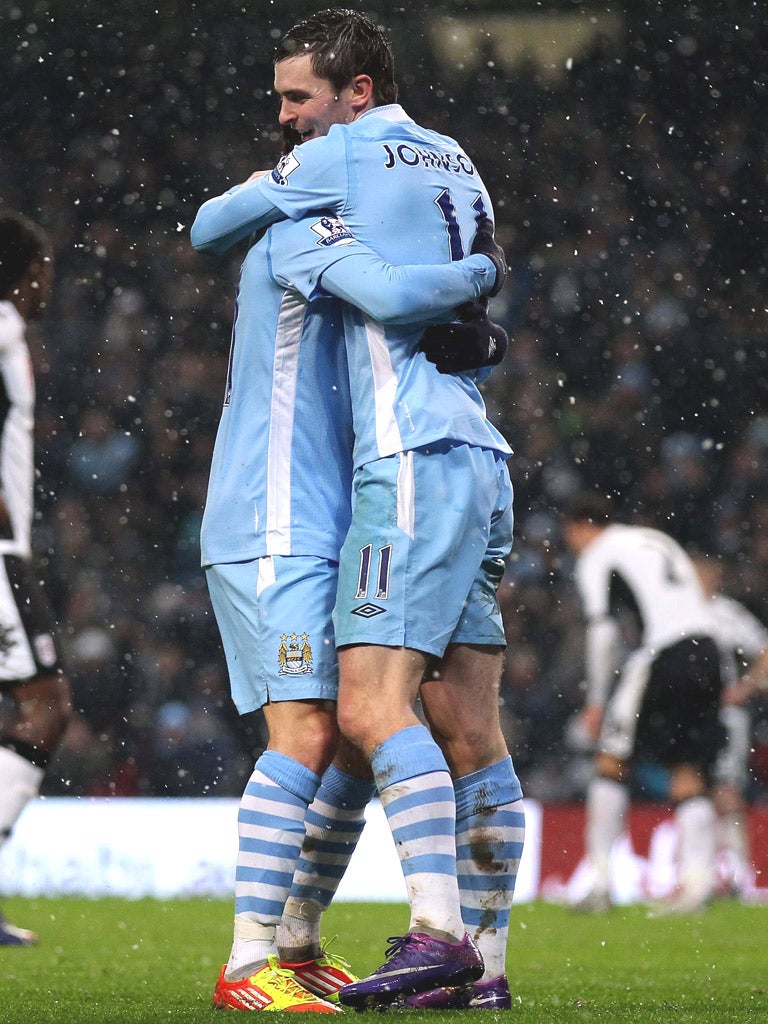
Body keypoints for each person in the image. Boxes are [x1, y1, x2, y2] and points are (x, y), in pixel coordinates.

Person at [192, 9, 525, 1011]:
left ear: (350, 101)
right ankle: (265, 957)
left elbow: (359, 283)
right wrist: (481, 292)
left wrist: (470, 304)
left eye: (300, 100)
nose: (290, 120)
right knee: (350, 724)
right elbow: (395, 291)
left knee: (358, 717)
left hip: (371, 480)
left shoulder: (322, 188)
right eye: (284, 111)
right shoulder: (442, 165)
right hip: (303, 503)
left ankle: (325, 944)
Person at [561, 492, 725, 914]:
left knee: (610, 761)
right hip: (707, 651)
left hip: (664, 654)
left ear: (582, 528)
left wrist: (596, 699)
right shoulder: (655, 538)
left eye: (572, 537)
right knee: (688, 772)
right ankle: (695, 887)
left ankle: (599, 881)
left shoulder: (598, 553)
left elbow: (602, 630)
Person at [0, 211, 72, 944]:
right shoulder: (2, 329)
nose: (48, 281)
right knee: (45, 706)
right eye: (43, 266)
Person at [692, 552, 765, 895]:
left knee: (726, 791)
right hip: (689, 717)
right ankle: (700, 876)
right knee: (695, 791)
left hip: (724, 717)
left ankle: (739, 876)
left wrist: (745, 688)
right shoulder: (675, 613)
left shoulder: (726, 613)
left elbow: (764, 649)